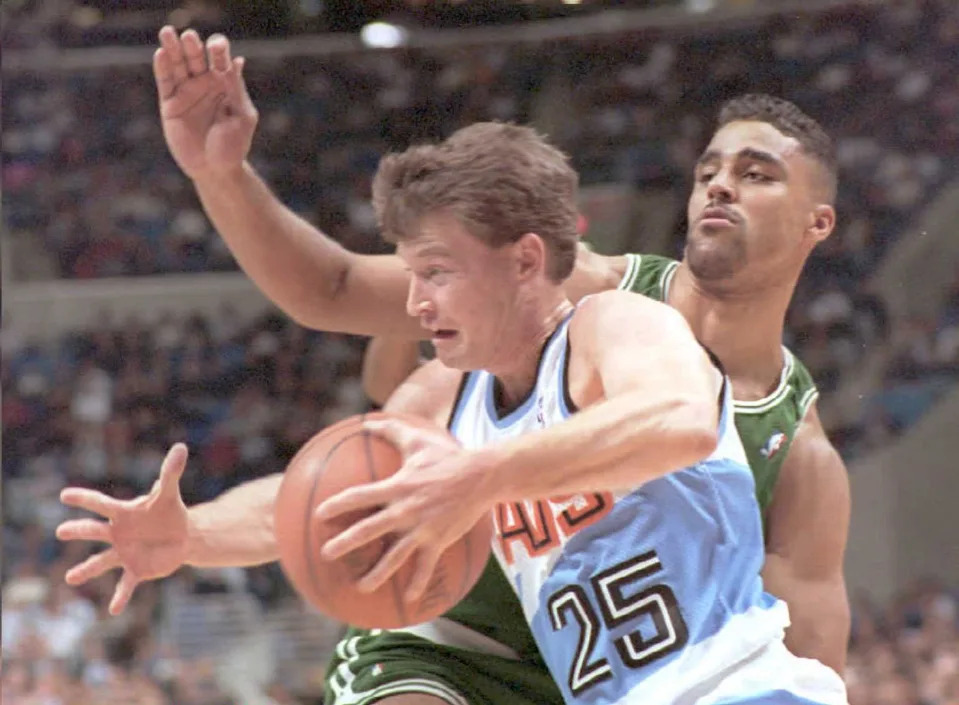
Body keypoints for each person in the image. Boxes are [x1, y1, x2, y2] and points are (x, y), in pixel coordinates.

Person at [57, 27, 849, 705]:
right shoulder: (532, 332)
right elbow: (329, 491)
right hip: (461, 639)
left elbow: (679, 422)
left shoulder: (639, 337)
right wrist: (190, 533)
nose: (413, 300)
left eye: (754, 173)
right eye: (708, 168)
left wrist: (480, 475)